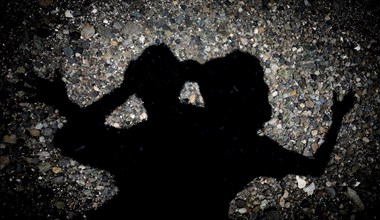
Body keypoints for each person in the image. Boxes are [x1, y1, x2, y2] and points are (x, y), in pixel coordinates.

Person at [22, 44, 355, 219]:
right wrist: (337, 117)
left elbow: (73, 140)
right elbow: (316, 167)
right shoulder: (249, 149)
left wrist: (118, 92)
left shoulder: (161, 135)